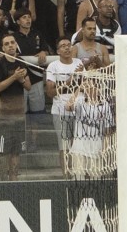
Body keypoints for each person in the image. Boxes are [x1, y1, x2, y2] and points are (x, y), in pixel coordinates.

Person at [0, 32, 30, 181]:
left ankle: (14, 180)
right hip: (4, 116)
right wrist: (13, 77)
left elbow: (28, 86)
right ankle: (3, 182)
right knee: (3, 152)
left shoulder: (21, 62)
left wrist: (20, 79)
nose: (10, 46)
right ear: (3, 47)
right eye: (7, 44)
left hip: (19, 115)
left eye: (12, 43)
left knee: (16, 152)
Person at [45, 37, 82, 177]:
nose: (67, 48)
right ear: (58, 51)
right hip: (61, 112)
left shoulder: (79, 63)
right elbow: (50, 92)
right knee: (65, 146)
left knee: (79, 145)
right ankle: (66, 175)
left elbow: (85, 86)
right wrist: (69, 81)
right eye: (63, 46)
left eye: (69, 45)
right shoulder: (53, 66)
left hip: (80, 110)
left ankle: (79, 174)